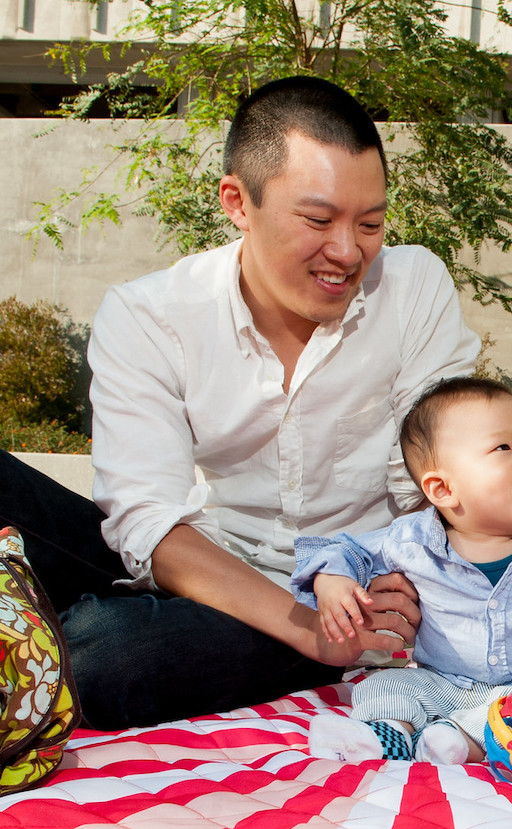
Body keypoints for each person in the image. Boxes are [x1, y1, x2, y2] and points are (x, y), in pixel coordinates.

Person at [0, 76, 479, 730]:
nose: (348, 252)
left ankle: (325, 654)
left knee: (102, 657)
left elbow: (444, 479)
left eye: (370, 223)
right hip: (208, 573)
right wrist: (308, 631)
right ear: (237, 202)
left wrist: (404, 586)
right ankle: (302, 650)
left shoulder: (414, 287)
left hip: (351, 596)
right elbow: (150, 523)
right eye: (318, 220)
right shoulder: (150, 315)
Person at [290, 376, 512, 764]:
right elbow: (345, 550)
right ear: (443, 490)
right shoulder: (411, 540)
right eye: (504, 447)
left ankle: (458, 742)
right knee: (383, 683)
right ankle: (390, 733)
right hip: (443, 683)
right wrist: (333, 579)